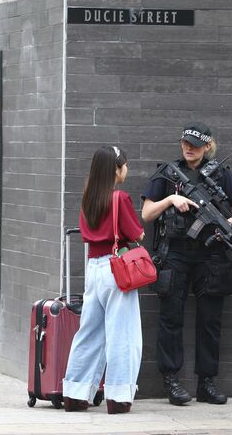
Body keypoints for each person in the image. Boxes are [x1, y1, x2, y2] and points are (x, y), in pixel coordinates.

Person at [141, 122, 232, 406]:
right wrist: (171, 199)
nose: (188, 148)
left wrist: (230, 223)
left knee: (210, 320)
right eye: (185, 143)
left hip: (210, 253)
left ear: (207, 147)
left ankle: (207, 382)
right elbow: (147, 213)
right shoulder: (167, 173)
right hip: (175, 252)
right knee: (171, 317)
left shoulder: (220, 174)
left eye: (195, 144)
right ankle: (171, 380)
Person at [63, 146, 144, 415]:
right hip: (116, 270)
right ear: (117, 169)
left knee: (89, 332)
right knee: (123, 334)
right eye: (125, 165)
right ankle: (118, 397)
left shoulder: (89, 198)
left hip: (94, 270)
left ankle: (74, 394)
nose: (127, 170)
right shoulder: (120, 198)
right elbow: (137, 234)